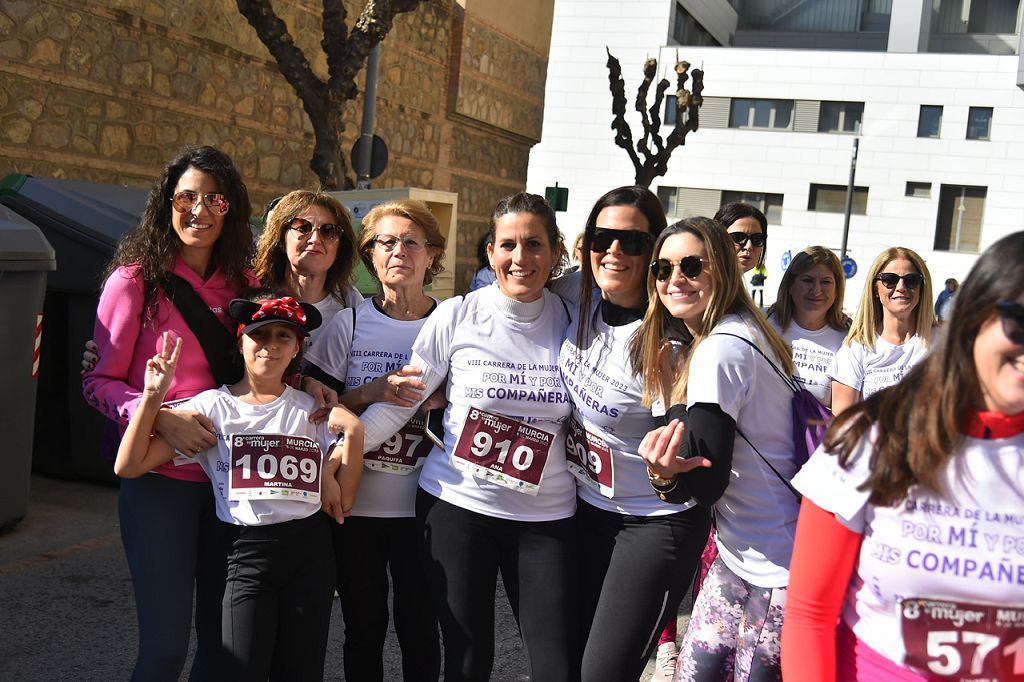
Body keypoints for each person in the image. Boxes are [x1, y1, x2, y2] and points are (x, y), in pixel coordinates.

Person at [334, 192, 577, 682]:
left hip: (545, 516)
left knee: (557, 662)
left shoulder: (573, 315)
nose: (520, 257)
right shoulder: (458, 315)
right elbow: (402, 402)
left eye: (534, 244)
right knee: (466, 658)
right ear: (490, 252)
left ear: (554, 252)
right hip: (457, 507)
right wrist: (340, 457)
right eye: (507, 244)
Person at [782, 231, 1024, 681]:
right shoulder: (868, 436)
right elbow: (810, 615)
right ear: (974, 320)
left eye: (911, 281)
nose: (901, 289)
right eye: (1020, 322)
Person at [113, 294, 365, 680]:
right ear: (241, 340)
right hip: (243, 555)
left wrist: (356, 430)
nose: (271, 345)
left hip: (310, 554)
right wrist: (152, 398)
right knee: (238, 668)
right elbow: (128, 465)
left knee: (302, 670)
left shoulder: (312, 411)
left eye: (284, 336)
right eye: (261, 334)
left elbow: (343, 500)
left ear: (298, 347)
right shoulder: (213, 407)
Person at [81, 145, 259, 681]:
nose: (198, 210)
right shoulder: (135, 281)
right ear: (167, 203)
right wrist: (158, 415)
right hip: (160, 483)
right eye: (186, 197)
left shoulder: (247, 288)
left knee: (222, 648)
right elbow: (97, 381)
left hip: (229, 482)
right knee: (164, 649)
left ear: (231, 211)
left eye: (213, 199)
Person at [636, 216, 799, 681]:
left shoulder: (719, 350)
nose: (674, 280)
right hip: (747, 553)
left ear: (721, 270)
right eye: (662, 269)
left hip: (772, 564)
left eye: (691, 265)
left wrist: (663, 473)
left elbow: (704, 483)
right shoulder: (749, 328)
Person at [559, 186, 710, 682]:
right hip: (583, 512)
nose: (615, 252)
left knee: (603, 673)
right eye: (603, 238)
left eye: (633, 242)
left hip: (652, 524)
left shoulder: (669, 341)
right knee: (563, 658)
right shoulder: (574, 296)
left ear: (654, 253)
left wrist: (671, 461)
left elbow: (693, 443)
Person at [304, 199, 446, 681]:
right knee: (363, 627)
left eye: (412, 241)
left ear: (432, 255)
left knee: (421, 628)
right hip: (356, 507)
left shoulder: (452, 326)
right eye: (386, 241)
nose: (399, 251)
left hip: (429, 505)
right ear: (370, 256)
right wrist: (372, 392)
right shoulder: (349, 324)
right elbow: (316, 412)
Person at [829, 247, 935, 416]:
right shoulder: (857, 349)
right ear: (875, 290)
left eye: (911, 280)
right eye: (890, 280)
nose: (901, 287)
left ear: (922, 289)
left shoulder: (943, 343)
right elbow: (843, 423)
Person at [252, 189, 362, 342]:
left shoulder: (351, 303)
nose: (315, 239)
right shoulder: (255, 296)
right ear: (281, 239)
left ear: (340, 247)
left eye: (328, 231)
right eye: (303, 227)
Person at [767, 246, 849, 407]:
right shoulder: (763, 323)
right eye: (807, 280)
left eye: (826, 282)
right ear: (790, 285)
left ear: (837, 290)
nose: (816, 290)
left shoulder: (849, 339)